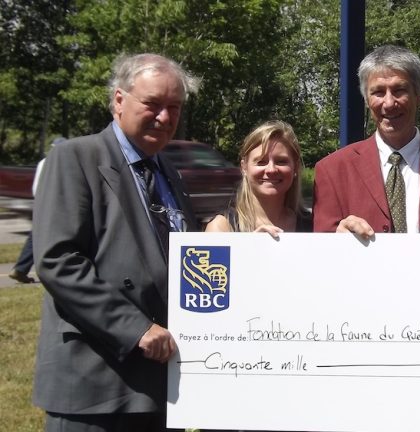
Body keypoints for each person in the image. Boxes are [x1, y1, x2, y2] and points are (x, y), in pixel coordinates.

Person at [32, 53, 200, 431]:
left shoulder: (167, 170)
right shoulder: (75, 157)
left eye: (174, 107)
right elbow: (58, 260)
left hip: (158, 381)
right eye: (153, 104)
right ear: (119, 100)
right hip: (97, 381)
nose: (165, 117)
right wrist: (135, 328)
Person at [313, 45, 420, 236]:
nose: (389, 103)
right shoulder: (332, 170)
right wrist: (337, 237)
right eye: (378, 92)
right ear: (367, 101)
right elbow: (323, 253)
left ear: (419, 97)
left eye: (399, 90)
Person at [205, 120, 312, 234]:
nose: (271, 170)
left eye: (281, 161)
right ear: (244, 167)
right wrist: (252, 246)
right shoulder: (221, 228)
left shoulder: (313, 226)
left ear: (295, 167)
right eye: (261, 162)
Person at [8, 136, 66, 284]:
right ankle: (23, 269)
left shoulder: (43, 162)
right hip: (55, 205)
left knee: (38, 236)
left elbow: (36, 186)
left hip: (41, 202)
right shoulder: (61, 162)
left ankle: (21, 269)